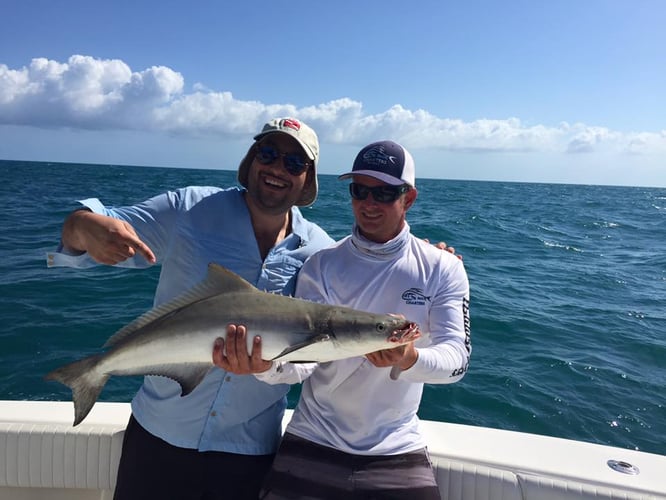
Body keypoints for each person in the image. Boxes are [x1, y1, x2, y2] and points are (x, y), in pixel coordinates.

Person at [47, 117, 336, 500]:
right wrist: (82, 226)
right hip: (158, 434)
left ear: (308, 178)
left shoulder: (321, 251)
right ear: (252, 160)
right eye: (268, 153)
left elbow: (360, 295)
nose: (277, 168)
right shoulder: (188, 208)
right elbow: (91, 232)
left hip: (249, 451)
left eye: (294, 163)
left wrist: (437, 263)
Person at [215, 140, 471, 499]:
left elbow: (456, 362)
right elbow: (303, 363)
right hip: (312, 437)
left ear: (408, 198)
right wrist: (264, 366)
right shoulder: (321, 265)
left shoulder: (443, 268)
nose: (369, 203)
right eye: (360, 190)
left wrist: (410, 358)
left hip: (395, 448)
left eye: (384, 193)